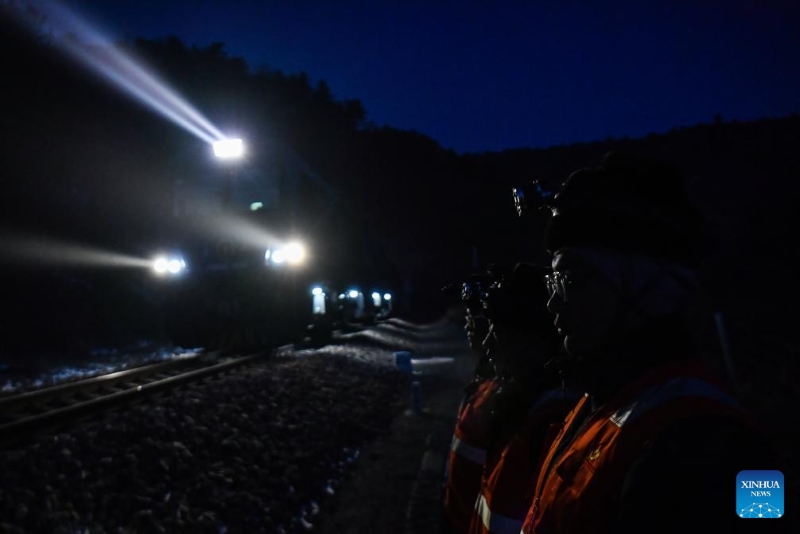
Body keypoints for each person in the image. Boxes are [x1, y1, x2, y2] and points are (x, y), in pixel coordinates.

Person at [520, 153, 767, 533]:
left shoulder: (712, 443)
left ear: (644, 287)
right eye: (552, 283)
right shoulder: (602, 398)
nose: (553, 301)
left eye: (570, 278)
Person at [468, 263, 580, 534]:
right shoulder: (526, 406)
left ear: (533, 341)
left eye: (499, 333)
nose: (487, 344)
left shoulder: (551, 421)